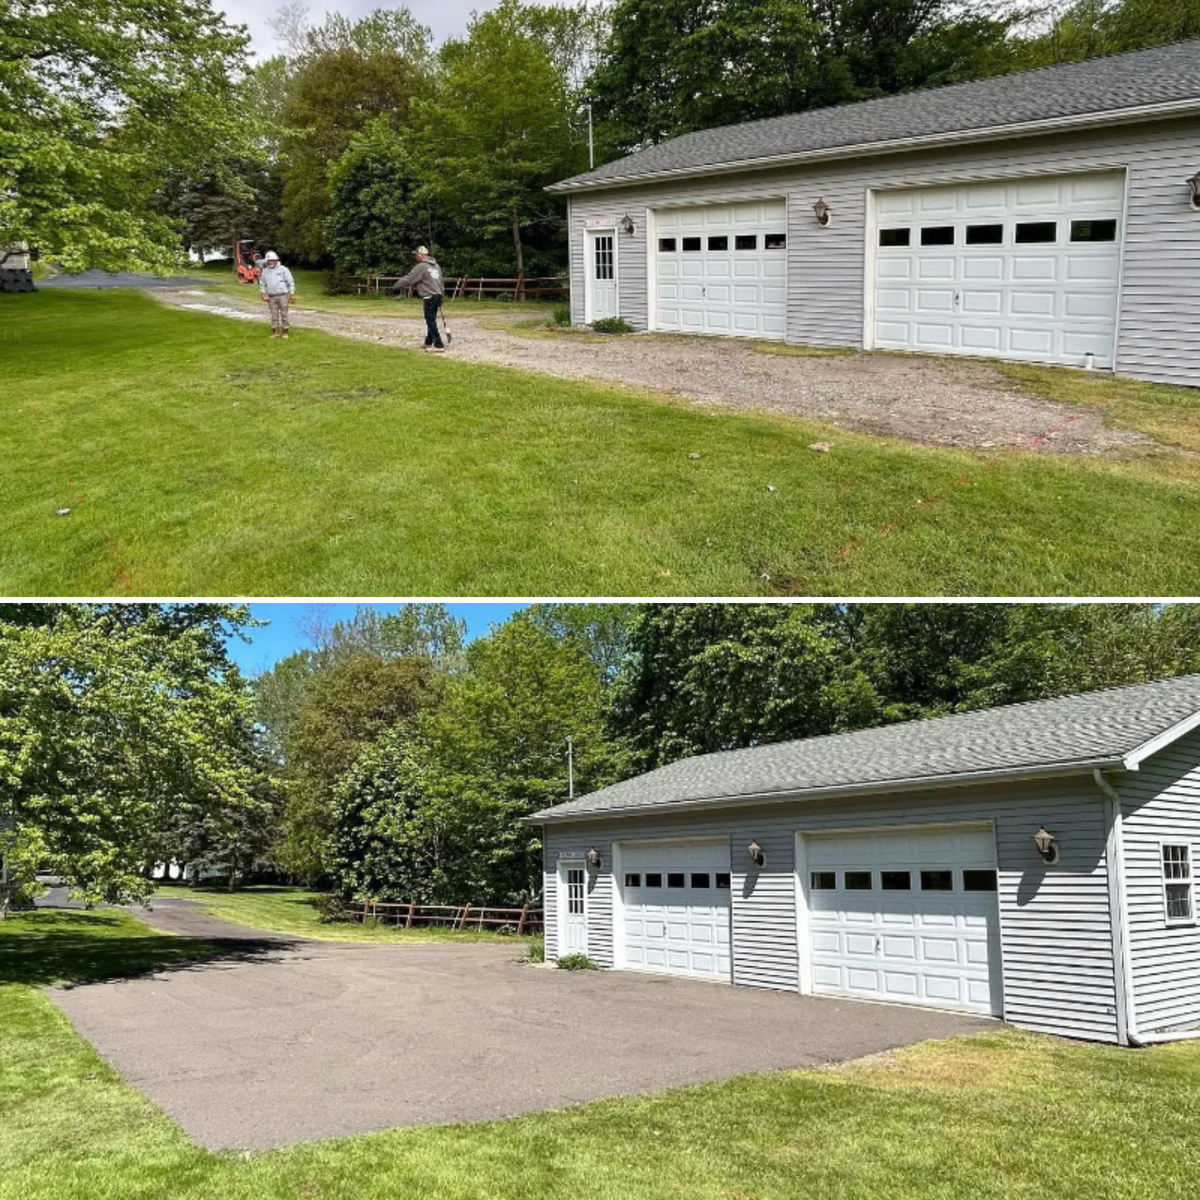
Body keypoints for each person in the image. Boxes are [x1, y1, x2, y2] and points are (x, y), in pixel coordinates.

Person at [391, 246, 446, 352]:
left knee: (430, 320)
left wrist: (396, 285)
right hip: (437, 295)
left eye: (416, 254)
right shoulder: (436, 266)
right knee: (432, 319)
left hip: (429, 296)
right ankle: (428, 342)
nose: (415, 256)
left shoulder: (421, 266)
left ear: (422, 255)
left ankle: (438, 345)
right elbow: (441, 281)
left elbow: (410, 278)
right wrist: (441, 295)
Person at [258, 251, 296, 339]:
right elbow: (262, 283)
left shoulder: (283, 269)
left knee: (284, 314)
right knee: (273, 314)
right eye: (268, 261)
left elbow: (290, 282)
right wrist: (263, 293)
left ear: (276, 260)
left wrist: (292, 293)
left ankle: (285, 331)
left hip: (282, 295)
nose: (269, 262)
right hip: (271, 296)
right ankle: (275, 332)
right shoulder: (265, 271)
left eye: (271, 260)